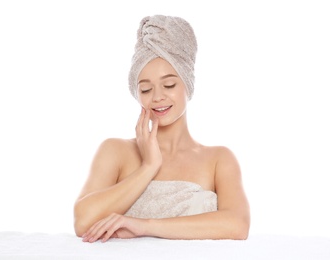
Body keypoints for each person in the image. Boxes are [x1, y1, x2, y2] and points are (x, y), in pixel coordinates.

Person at [73, 14, 250, 243]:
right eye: (145, 89)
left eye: (169, 85)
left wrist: (144, 226)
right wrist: (148, 167)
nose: (157, 97)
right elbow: (83, 222)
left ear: (187, 84)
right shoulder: (115, 151)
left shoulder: (218, 159)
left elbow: (237, 226)